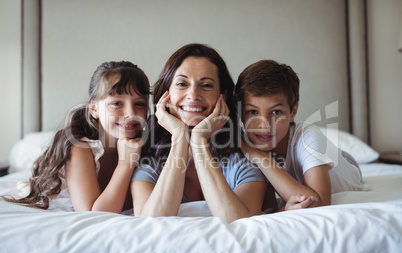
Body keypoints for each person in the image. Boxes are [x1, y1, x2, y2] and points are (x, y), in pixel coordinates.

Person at [130, 43, 275, 223]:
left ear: (222, 95)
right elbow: (151, 222)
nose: (193, 94)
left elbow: (239, 222)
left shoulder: (243, 160)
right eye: (182, 84)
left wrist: (199, 142)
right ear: (165, 94)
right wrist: (179, 137)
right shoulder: (149, 160)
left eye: (206, 85)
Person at [3, 61, 150, 213]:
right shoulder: (80, 148)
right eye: (117, 103)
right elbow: (94, 214)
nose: (131, 113)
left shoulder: (146, 145)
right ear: (93, 108)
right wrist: (126, 164)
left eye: (139, 104)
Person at [235, 59, 364, 210]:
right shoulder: (249, 145)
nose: (264, 125)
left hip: (346, 165)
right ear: (241, 113)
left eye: (276, 112)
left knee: (319, 145)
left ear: (293, 111)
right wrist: (284, 210)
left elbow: (320, 202)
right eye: (252, 112)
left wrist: (262, 159)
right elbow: (267, 210)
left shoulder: (307, 137)